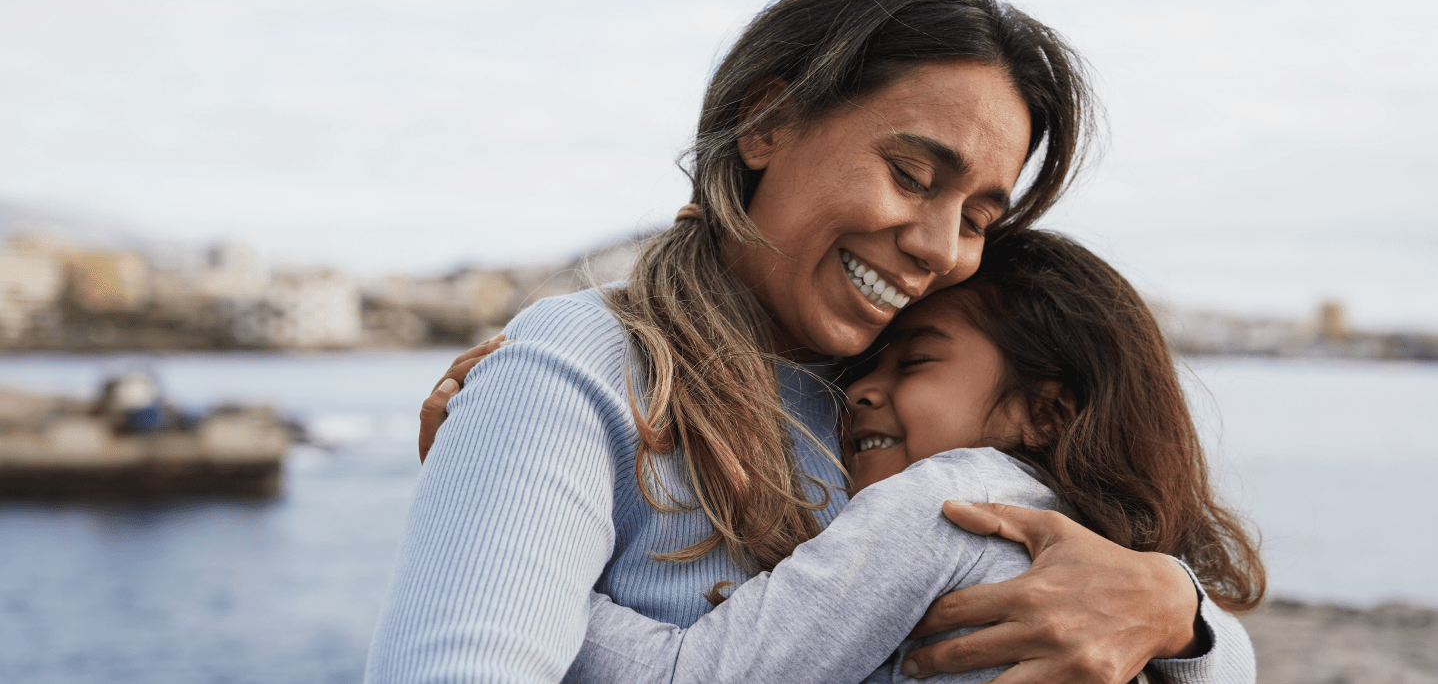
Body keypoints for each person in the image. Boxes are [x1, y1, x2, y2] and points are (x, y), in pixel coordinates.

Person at [367, 0, 1256, 681]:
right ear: (768, 121)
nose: (939, 248)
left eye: (980, 217)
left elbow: (1197, 637)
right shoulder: (587, 365)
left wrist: (1178, 610)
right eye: (912, 173)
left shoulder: (896, 400)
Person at [430, 230, 1266, 683]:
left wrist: (499, 511)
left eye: (916, 361)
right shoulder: (1073, 533)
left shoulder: (948, 503)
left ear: (1043, 410)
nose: (860, 391)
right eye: (864, 367)